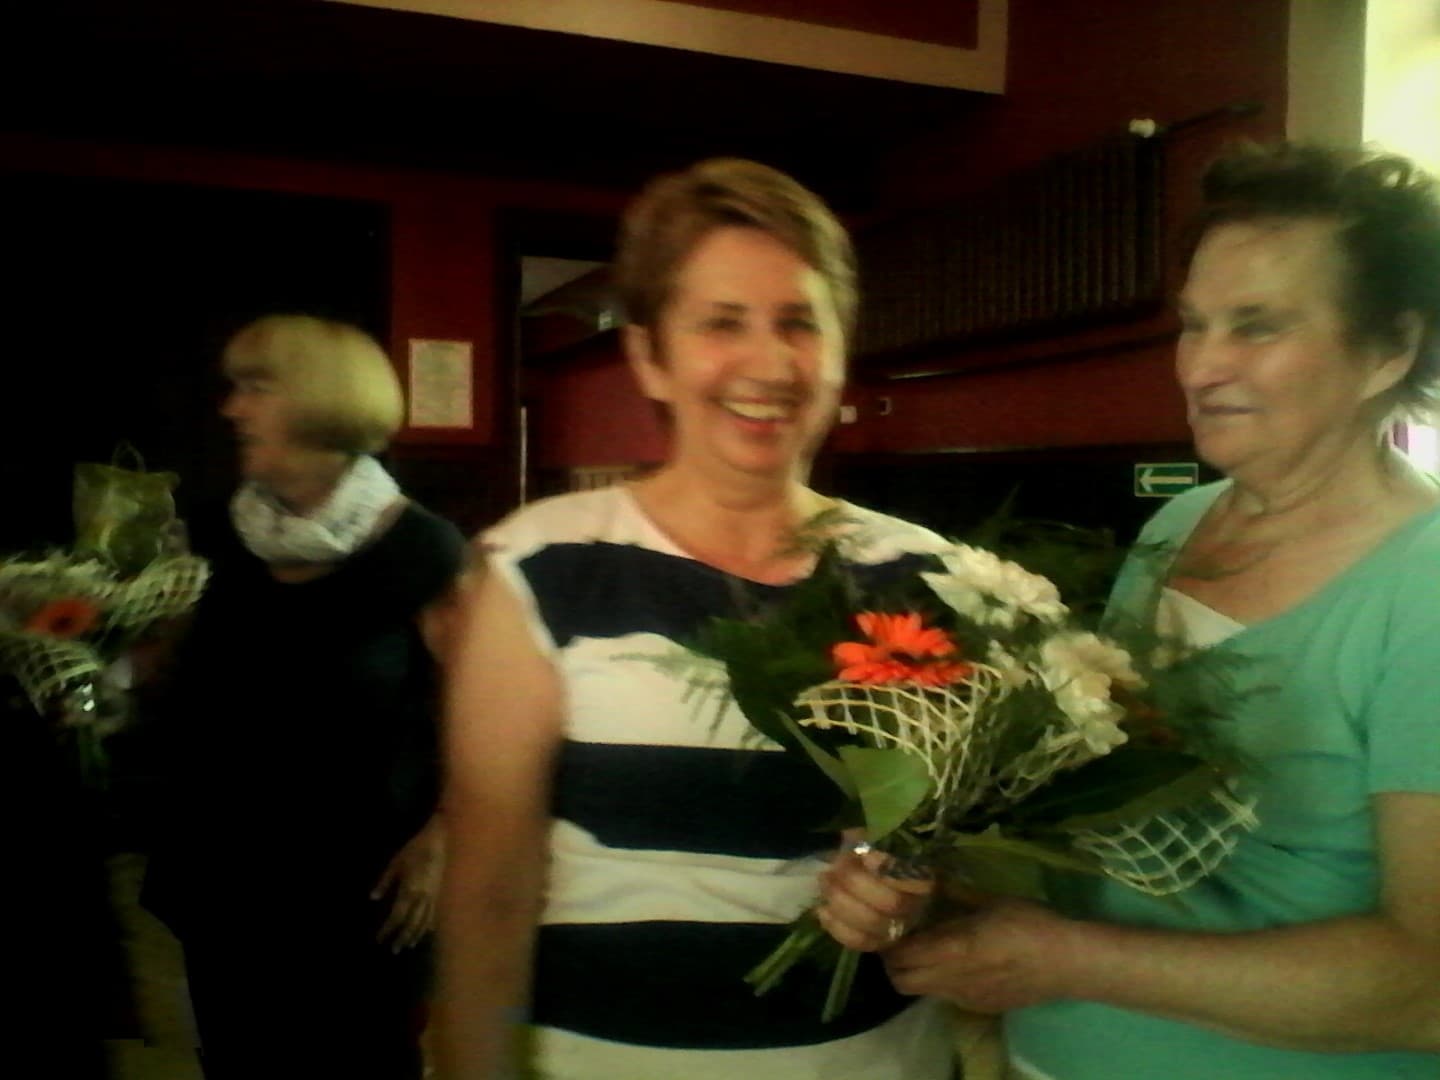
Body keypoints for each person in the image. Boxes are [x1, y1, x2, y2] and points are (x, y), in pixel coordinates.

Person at [818, 141, 1440, 1079]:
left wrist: (1069, 960)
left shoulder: (1422, 589)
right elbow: (1101, 824)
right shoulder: (1180, 524)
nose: (1201, 367)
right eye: (1195, 325)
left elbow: (1427, 990)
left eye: (1257, 327)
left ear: (1389, 347)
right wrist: (920, 868)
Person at [435, 158, 959, 1079]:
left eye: (799, 322)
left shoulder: (924, 575)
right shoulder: (542, 568)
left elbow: (964, 854)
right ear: (650, 356)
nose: (769, 363)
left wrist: (915, 885)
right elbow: (489, 892)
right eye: (722, 323)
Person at [142, 314, 466, 1078]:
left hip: (361, 891)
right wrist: (80, 649)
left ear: (322, 402)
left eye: (255, 388)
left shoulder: (421, 549)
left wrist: (441, 840)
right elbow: (159, 672)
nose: (231, 408)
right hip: (223, 880)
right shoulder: (211, 534)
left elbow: (489, 718)